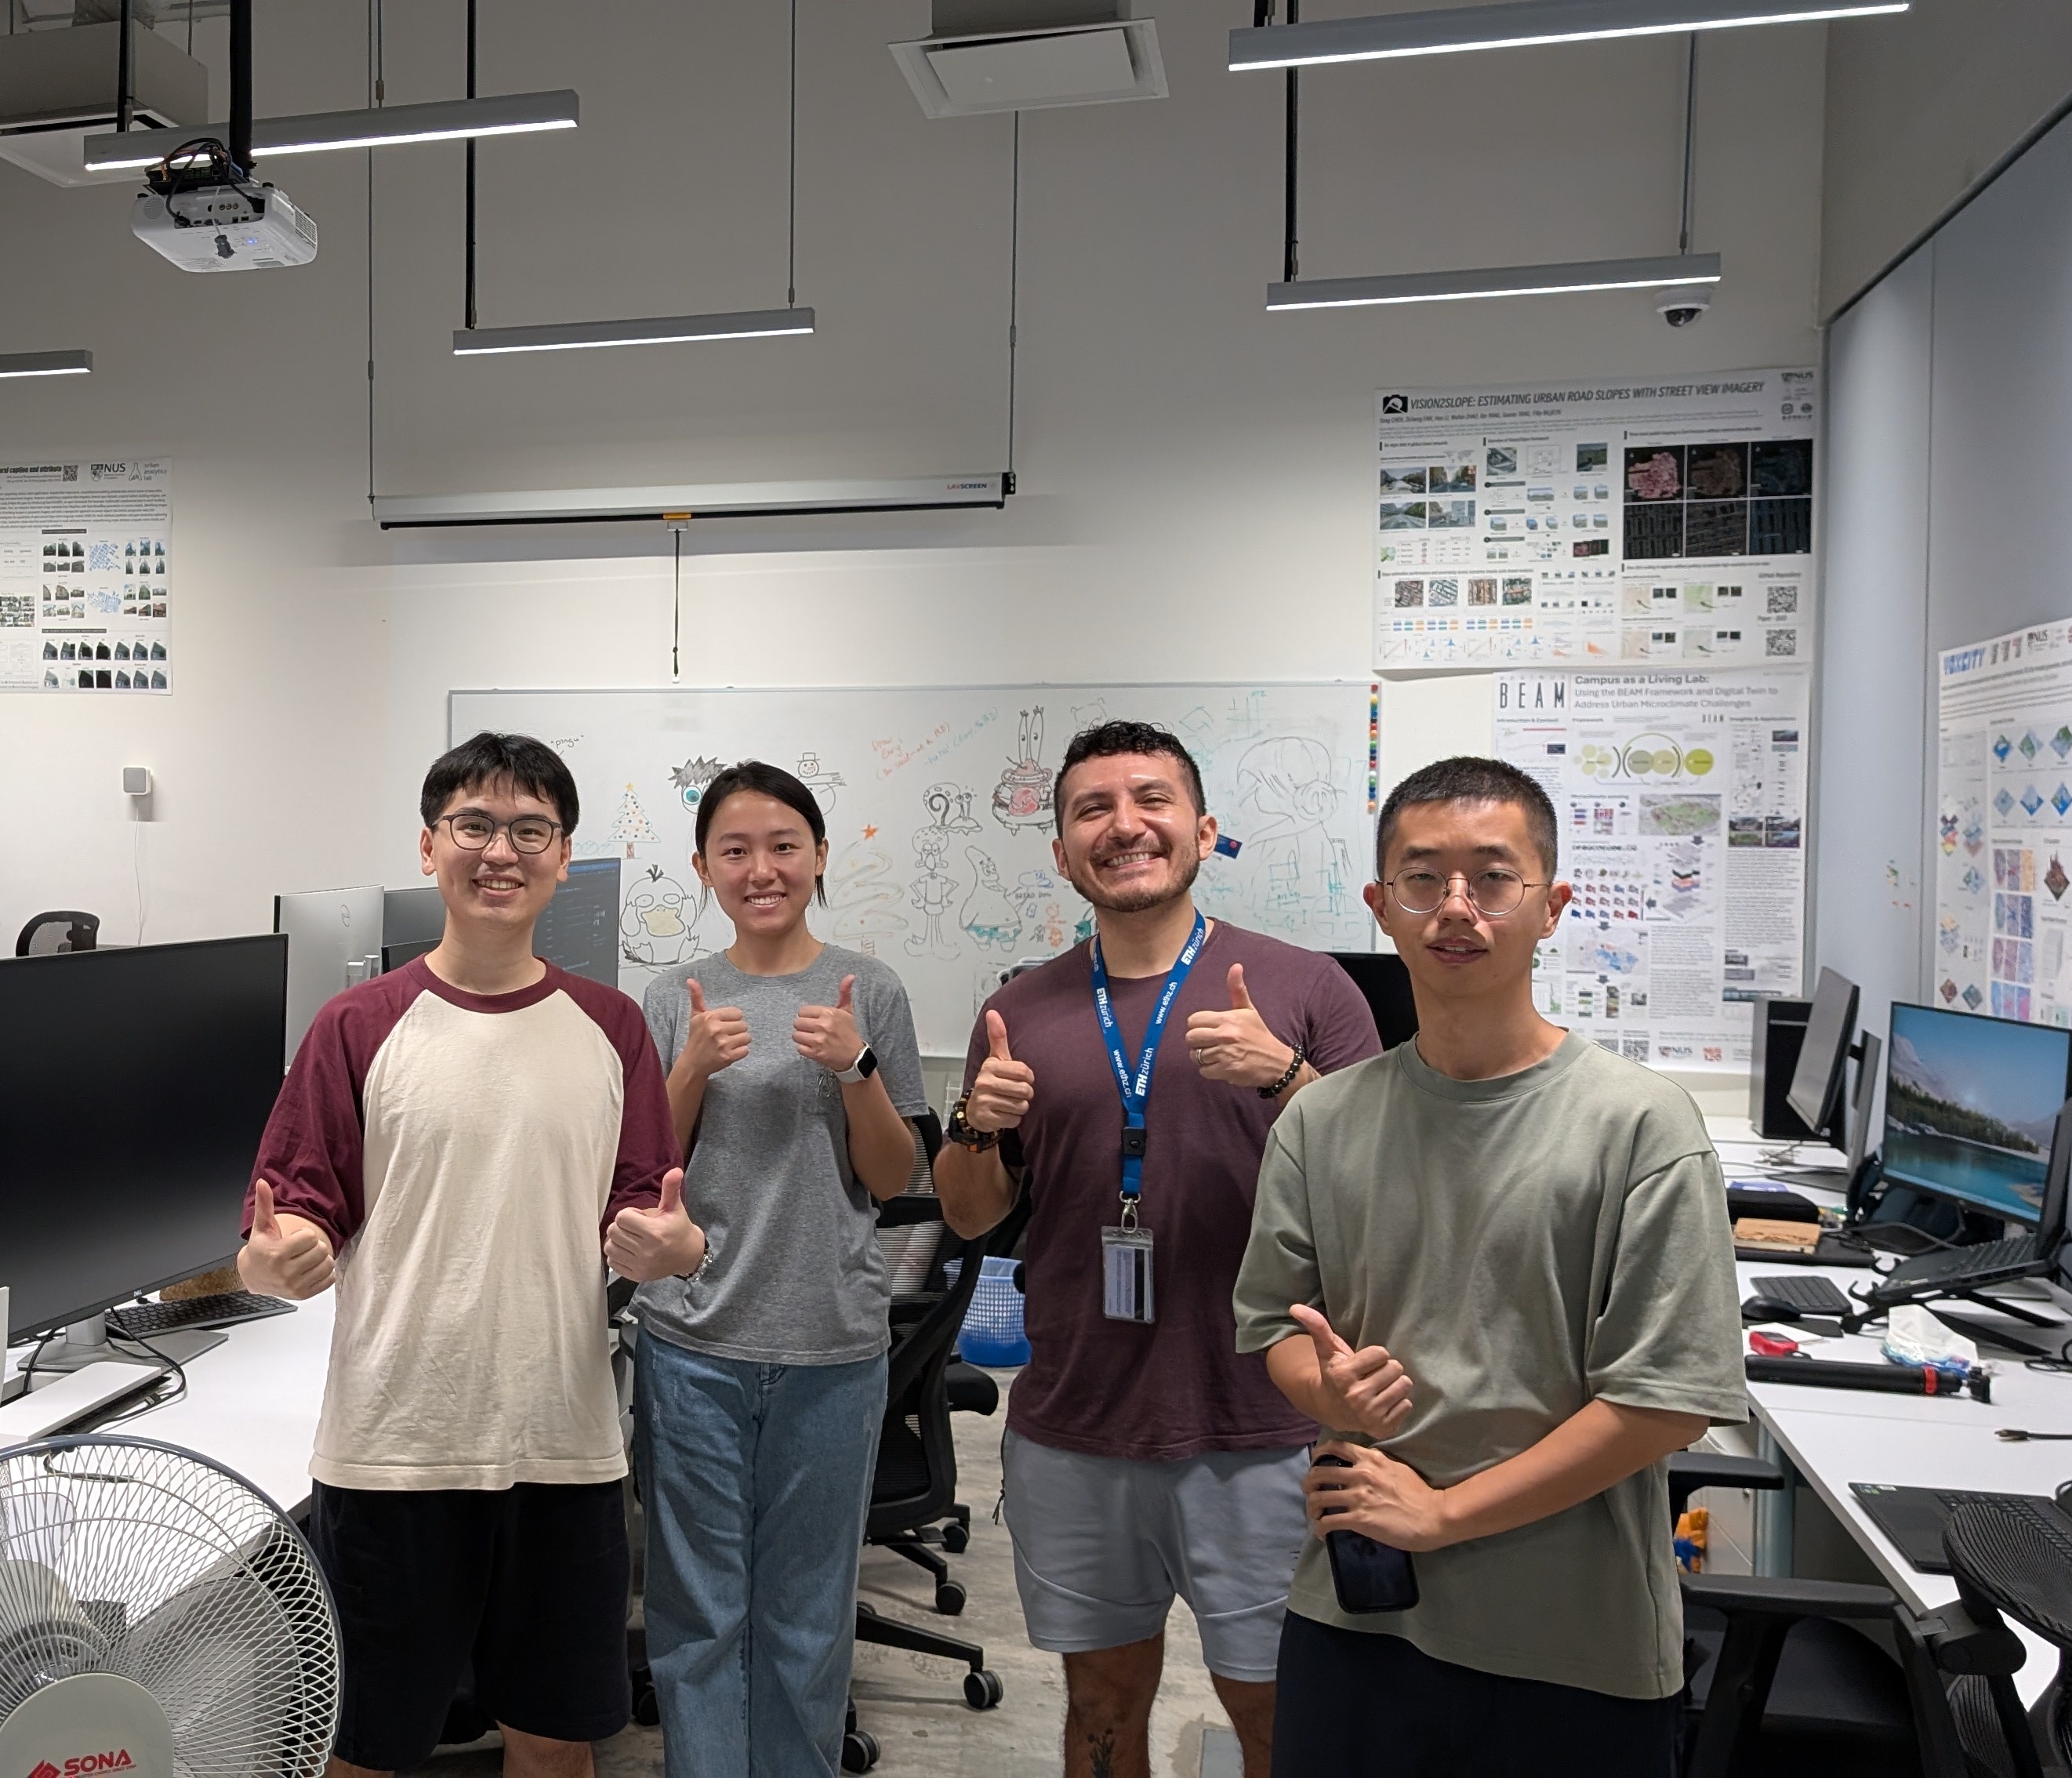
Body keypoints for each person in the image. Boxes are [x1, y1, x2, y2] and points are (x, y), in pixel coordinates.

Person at [1229, 757, 1744, 1777]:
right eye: (1423, 878)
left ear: (1551, 906)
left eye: (1492, 878)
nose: (1456, 908)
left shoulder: (1640, 1127)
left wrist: (1444, 1516)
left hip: (1570, 1644)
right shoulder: (1322, 1120)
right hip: (1359, 1616)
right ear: (1382, 905)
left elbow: (1668, 1401)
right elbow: (1274, 1327)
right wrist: (1321, 1382)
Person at [238, 732, 700, 1778]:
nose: (502, 850)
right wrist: (280, 1261)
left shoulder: (612, 1027)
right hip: (394, 1447)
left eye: (529, 829)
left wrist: (674, 1245)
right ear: (429, 844)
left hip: (563, 1449)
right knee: (365, 1747)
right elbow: (292, 1218)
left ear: (563, 854)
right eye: (476, 826)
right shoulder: (355, 1026)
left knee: (553, 1742)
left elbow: (651, 1213)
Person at [938, 720, 1382, 1778]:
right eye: (1093, 809)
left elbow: (1385, 1190)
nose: (1124, 826)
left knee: (1276, 1713)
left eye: (1151, 800)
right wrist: (974, 1126)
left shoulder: (1305, 989)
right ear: (1061, 851)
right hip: (1077, 1424)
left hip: (1264, 1425)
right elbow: (965, 1214)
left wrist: (1288, 1081)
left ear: (1203, 830)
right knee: (1099, 1704)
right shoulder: (1019, 1008)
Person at [633, 762, 927, 1777]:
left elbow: (891, 1179)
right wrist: (688, 1071)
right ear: (704, 868)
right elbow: (644, 1177)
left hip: (830, 1348)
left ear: (819, 857)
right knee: (698, 1616)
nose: (762, 868)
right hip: (692, 1346)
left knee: (806, 1621)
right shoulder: (673, 996)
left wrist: (856, 1068)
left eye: (783, 846)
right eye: (736, 850)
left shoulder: (869, 990)